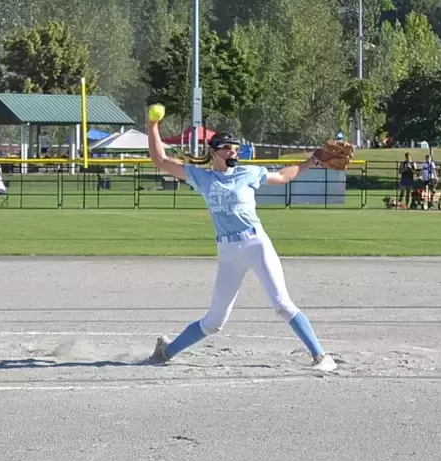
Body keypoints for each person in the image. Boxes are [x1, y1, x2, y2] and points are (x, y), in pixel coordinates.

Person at [143, 117, 337, 372]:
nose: (233, 152)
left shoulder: (249, 173)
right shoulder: (202, 177)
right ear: (213, 151)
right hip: (228, 251)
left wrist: (313, 160)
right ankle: (166, 351)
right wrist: (152, 126)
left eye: (235, 149)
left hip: (256, 243)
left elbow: (282, 176)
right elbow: (161, 161)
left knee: (281, 303)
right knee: (214, 322)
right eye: (227, 148)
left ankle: (321, 356)